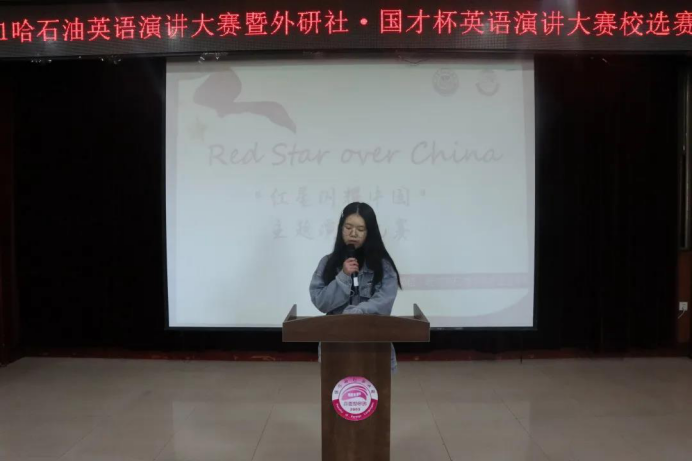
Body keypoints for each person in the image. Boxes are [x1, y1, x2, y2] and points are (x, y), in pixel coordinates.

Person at [309, 202, 402, 371]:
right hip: (336, 346)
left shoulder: (383, 266)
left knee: (374, 388)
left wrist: (359, 311)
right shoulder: (327, 263)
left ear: (369, 232)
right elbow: (320, 302)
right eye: (348, 227)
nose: (353, 233)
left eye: (360, 229)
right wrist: (343, 276)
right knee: (337, 387)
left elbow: (385, 301)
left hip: (374, 345)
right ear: (341, 228)